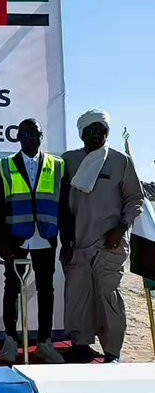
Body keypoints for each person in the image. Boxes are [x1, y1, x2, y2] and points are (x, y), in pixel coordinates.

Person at [60, 110, 143, 362]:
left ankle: (112, 351)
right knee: (78, 296)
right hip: (78, 243)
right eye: (92, 129)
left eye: (102, 129)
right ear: (81, 133)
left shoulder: (121, 161)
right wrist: (66, 241)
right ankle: (81, 345)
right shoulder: (68, 160)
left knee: (109, 296)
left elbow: (135, 199)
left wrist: (121, 228)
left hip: (110, 243)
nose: (97, 134)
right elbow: (61, 203)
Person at [0, 119, 65, 364]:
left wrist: (66, 239)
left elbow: (64, 205)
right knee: (12, 288)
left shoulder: (57, 165)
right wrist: (2, 239)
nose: (31, 138)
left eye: (35, 133)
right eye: (25, 134)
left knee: (46, 289)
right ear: (18, 137)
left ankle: (44, 343)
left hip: (46, 235)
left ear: (41, 136)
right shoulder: (5, 165)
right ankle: (10, 341)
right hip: (16, 236)